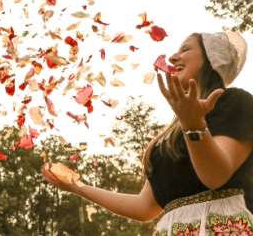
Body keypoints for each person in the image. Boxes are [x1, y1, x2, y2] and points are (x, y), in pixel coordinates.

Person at [42, 32, 253, 235]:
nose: (172, 57)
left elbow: (216, 176)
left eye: (186, 48)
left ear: (211, 59)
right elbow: (144, 208)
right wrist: (76, 186)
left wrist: (193, 125)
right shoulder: (171, 136)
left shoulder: (234, 101)